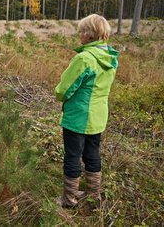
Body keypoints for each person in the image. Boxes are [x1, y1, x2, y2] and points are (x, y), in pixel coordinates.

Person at [54, 14, 119, 208]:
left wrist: (59, 93)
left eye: (82, 31)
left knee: (72, 156)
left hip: (78, 117)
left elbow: (64, 89)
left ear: (90, 34)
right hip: (98, 116)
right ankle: (93, 195)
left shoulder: (84, 58)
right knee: (92, 154)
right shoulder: (111, 58)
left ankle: (69, 199)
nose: (79, 34)